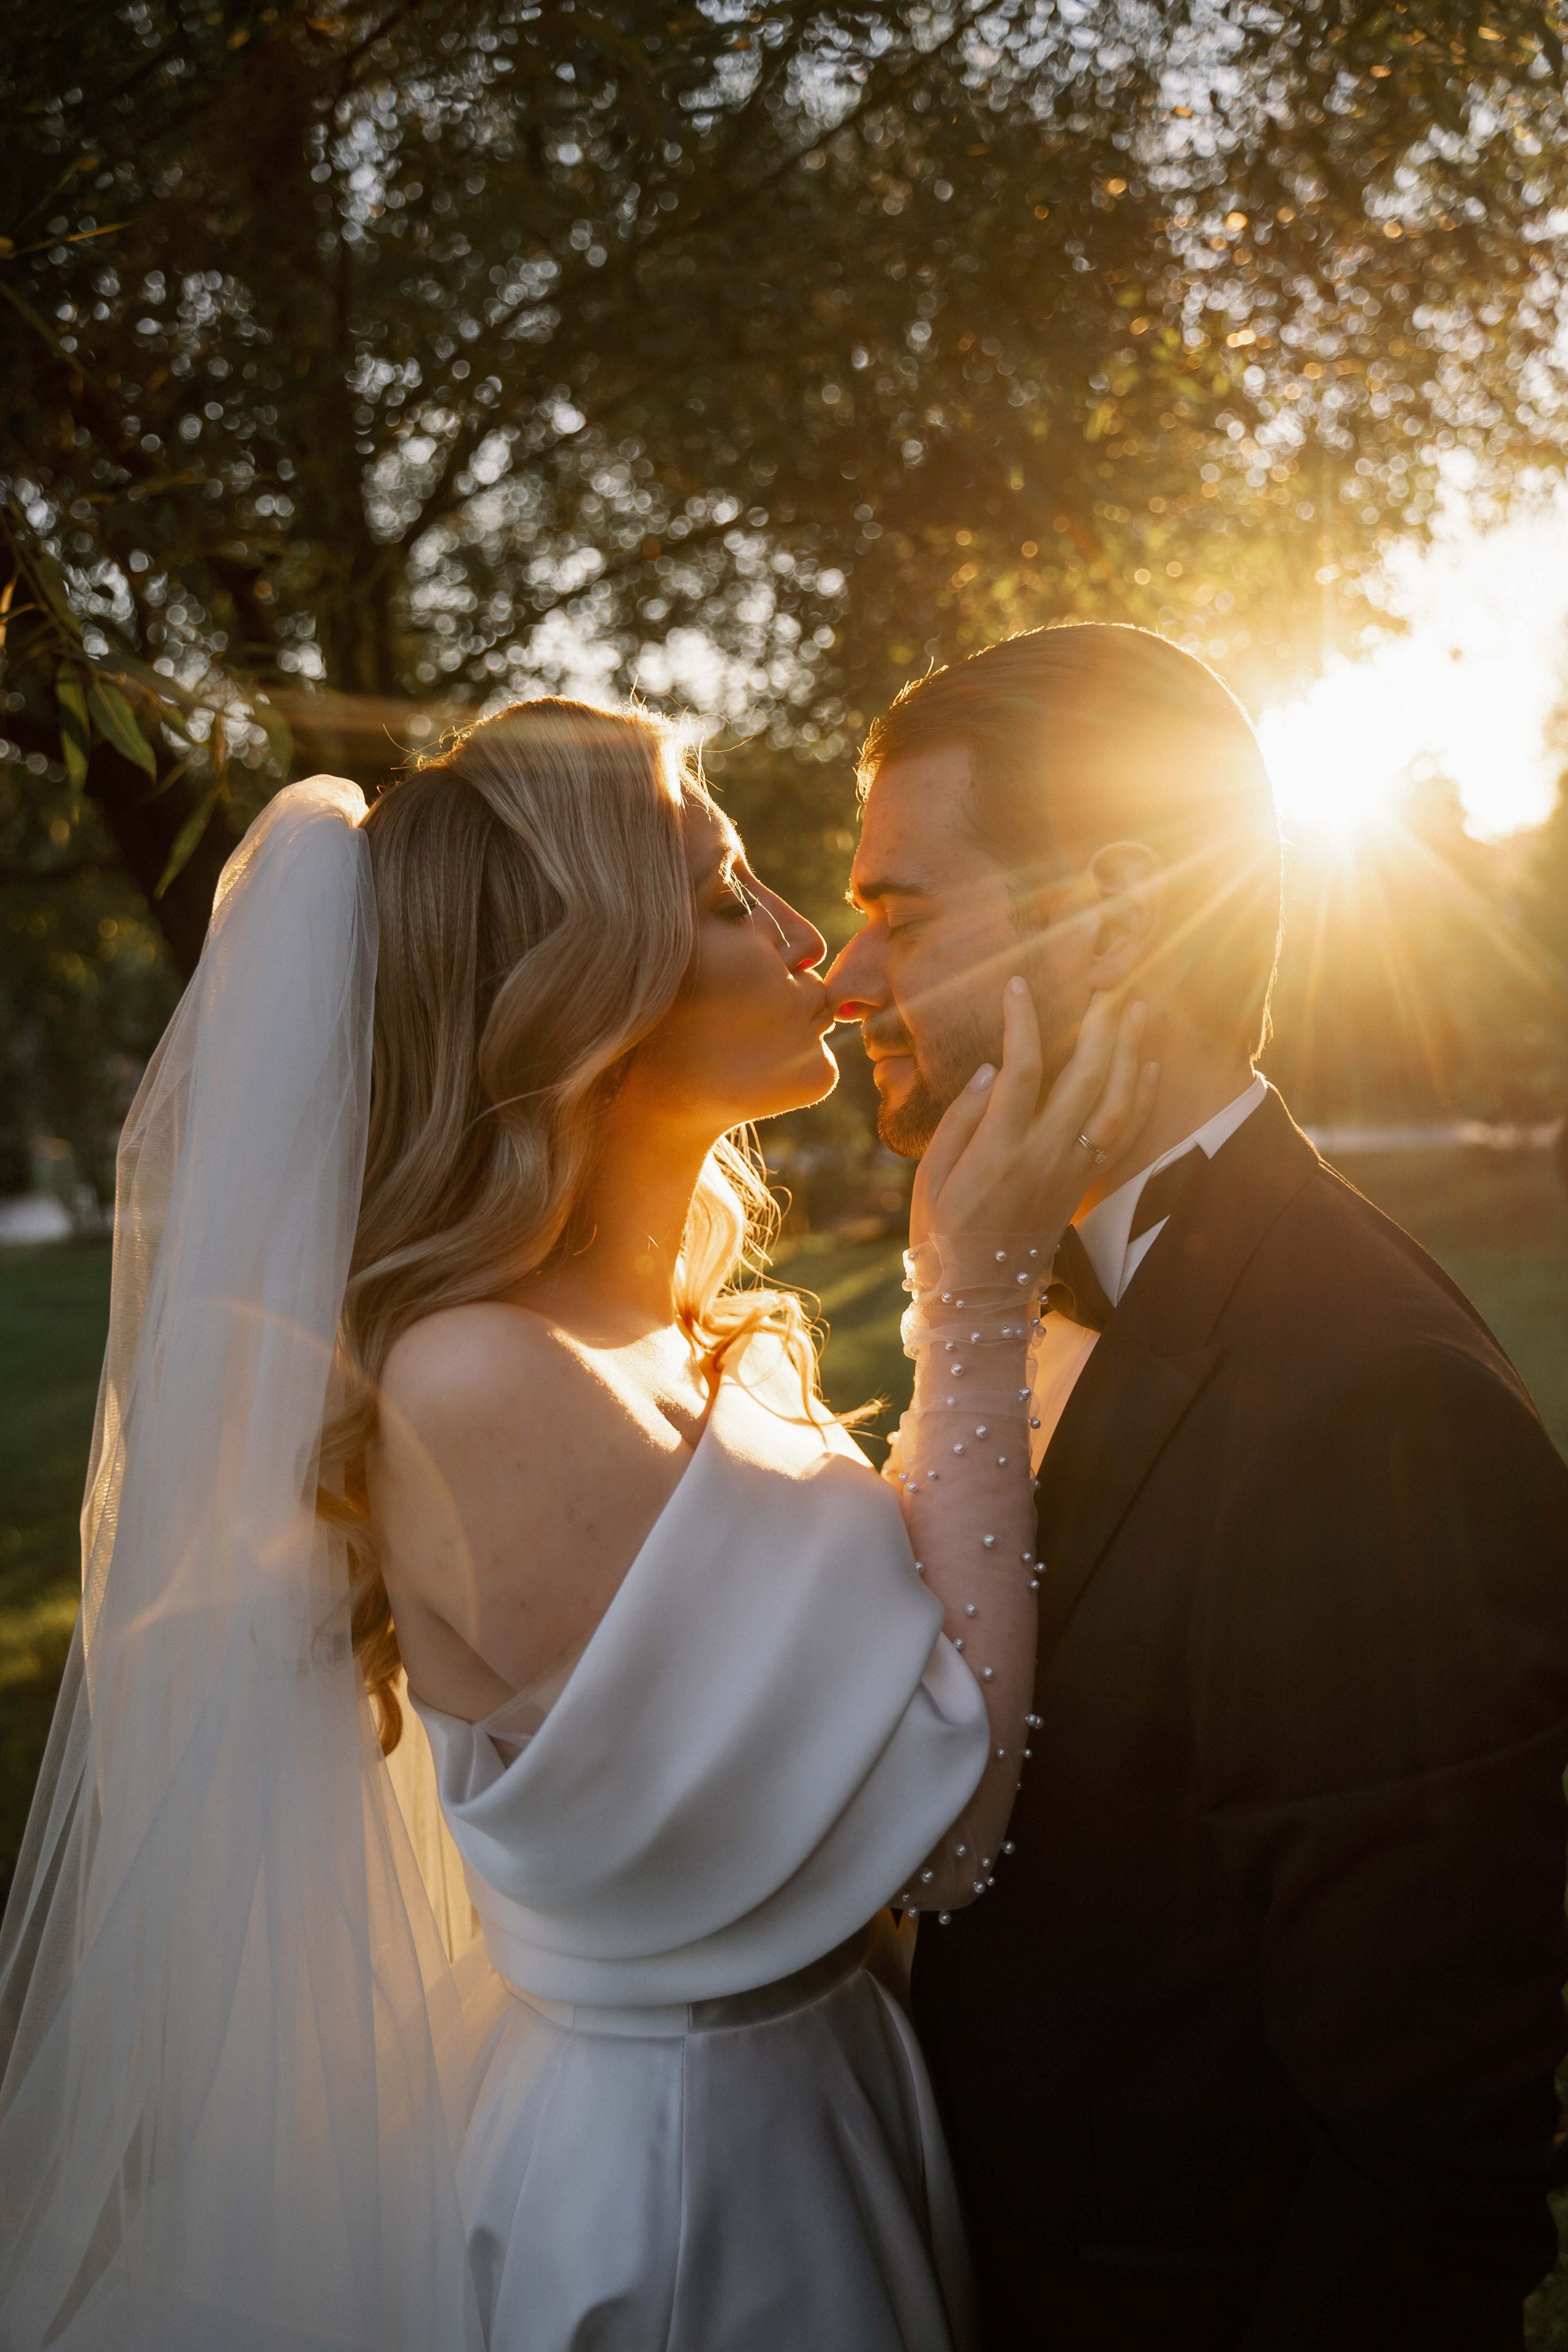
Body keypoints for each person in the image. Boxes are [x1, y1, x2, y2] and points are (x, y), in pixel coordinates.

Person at [0, 699, 1150, 2351]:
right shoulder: (481, 1380)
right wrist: (966, 1290)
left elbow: (858, 1640)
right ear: (583, 993)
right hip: (690, 2196)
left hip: (808, 2091)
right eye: (723, 896)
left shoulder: (661, 1327)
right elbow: (945, 1822)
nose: (810, 942)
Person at [827, 620, 1568, 2352]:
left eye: (903, 912)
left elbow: (1430, 2166)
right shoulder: (1008, 1279)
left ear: (1115, 914)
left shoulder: (1374, 1404)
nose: (848, 983)